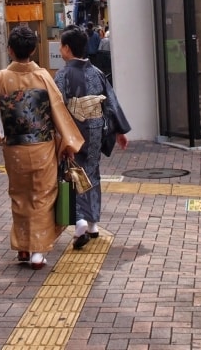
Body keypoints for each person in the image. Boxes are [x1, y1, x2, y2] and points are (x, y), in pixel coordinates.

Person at [0, 25, 84, 270]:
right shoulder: (42, 77)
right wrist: (69, 141)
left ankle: (23, 247)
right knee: (42, 196)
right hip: (42, 146)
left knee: (19, 196)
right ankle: (37, 252)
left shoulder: (0, 79)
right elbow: (57, 109)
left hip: (14, 147)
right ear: (34, 50)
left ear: (10, 50)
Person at [54, 24, 130, 250]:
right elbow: (111, 102)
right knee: (92, 173)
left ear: (67, 49)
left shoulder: (62, 75)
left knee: (69, 174)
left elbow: (57, 107)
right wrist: (119, 131)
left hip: (73, 132)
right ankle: (93, 224)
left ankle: (77, 221)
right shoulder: (96, 73)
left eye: (61, 45)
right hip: (96, 130)